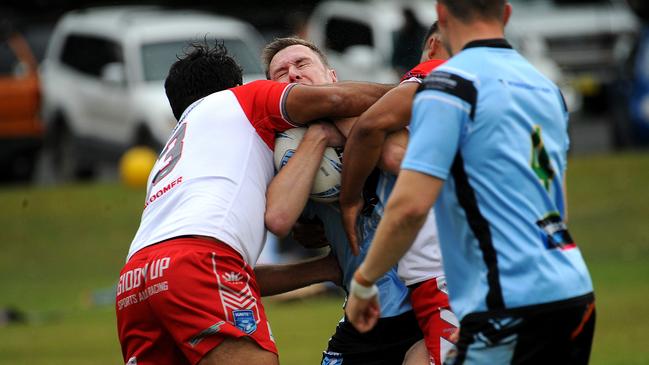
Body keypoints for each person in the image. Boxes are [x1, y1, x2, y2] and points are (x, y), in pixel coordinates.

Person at [345, 1, 596, 364]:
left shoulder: (447, 85)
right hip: (571, 290)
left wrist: (365, 280)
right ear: (507, 14)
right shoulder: (547, 89)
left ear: (442, 16)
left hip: (507, 301)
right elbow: (555, 204)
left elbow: (410, 206)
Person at [115, 41, 391, 365]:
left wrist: (324, 268)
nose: (291, 77)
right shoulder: (243, 100)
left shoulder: (177, 150)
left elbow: (234, 276)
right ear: (239, 86)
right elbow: (335, 98)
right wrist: (421, 88)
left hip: (134, 281)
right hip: (198, 259)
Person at [262, 37, 424, 365]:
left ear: (333, 76)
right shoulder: (285, 156)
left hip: (427, 300)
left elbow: (403, 162)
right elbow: (281, 220)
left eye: (302, 64)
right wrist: (319, 135)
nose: (292, 74)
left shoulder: (385, 119)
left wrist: (337, 114)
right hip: (366, 315)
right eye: (280, 72)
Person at [339, 22, 459, 365]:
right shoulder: (511, 86)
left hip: (444, 269)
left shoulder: (438, 73)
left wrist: (350, 200)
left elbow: (369, 128)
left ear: (433, 44)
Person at [391, 7, 428, 76]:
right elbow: (398, 51)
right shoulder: (404, 33)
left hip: (416, 66)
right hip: (407, 67)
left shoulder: (420, 32)